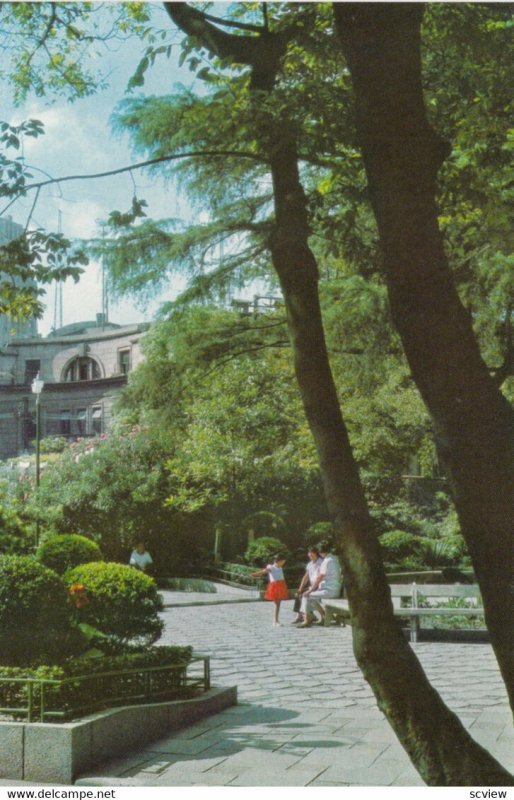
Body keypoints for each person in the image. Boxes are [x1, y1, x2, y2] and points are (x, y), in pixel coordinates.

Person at [297, 540, 341, 628]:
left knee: (306, 596)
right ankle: (323, 617)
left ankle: (307, 619)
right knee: (312, 598)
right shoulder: (334, 558)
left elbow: (319, 577)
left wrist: (310, 590)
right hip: (332, 589)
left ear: (320, 552)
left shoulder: (326, 561)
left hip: (329, 590)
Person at [251, 553, 289, 627]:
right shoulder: (271, 567)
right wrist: (254, 574)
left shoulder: (280, 568)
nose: (283, 563)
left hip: (281, 585)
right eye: (283, 561)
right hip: (275, 586)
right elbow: (263, 571)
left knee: (278, 604)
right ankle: (275, 621)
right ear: (279, 561)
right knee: (277, 604)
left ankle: (276, 620)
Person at [292, 545, 323, 624]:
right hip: (312, 586)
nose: (310, 555)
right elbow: (305, 577)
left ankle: (309, 616)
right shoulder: (309, 564)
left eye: (312, 553)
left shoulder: (321, 562)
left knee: (304, 595)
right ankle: (300, 615)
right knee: (298, 593)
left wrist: (312, 588)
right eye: (309, 553)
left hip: (319, 585)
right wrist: (300, 588)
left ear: (316, 553)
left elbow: (320, 577)